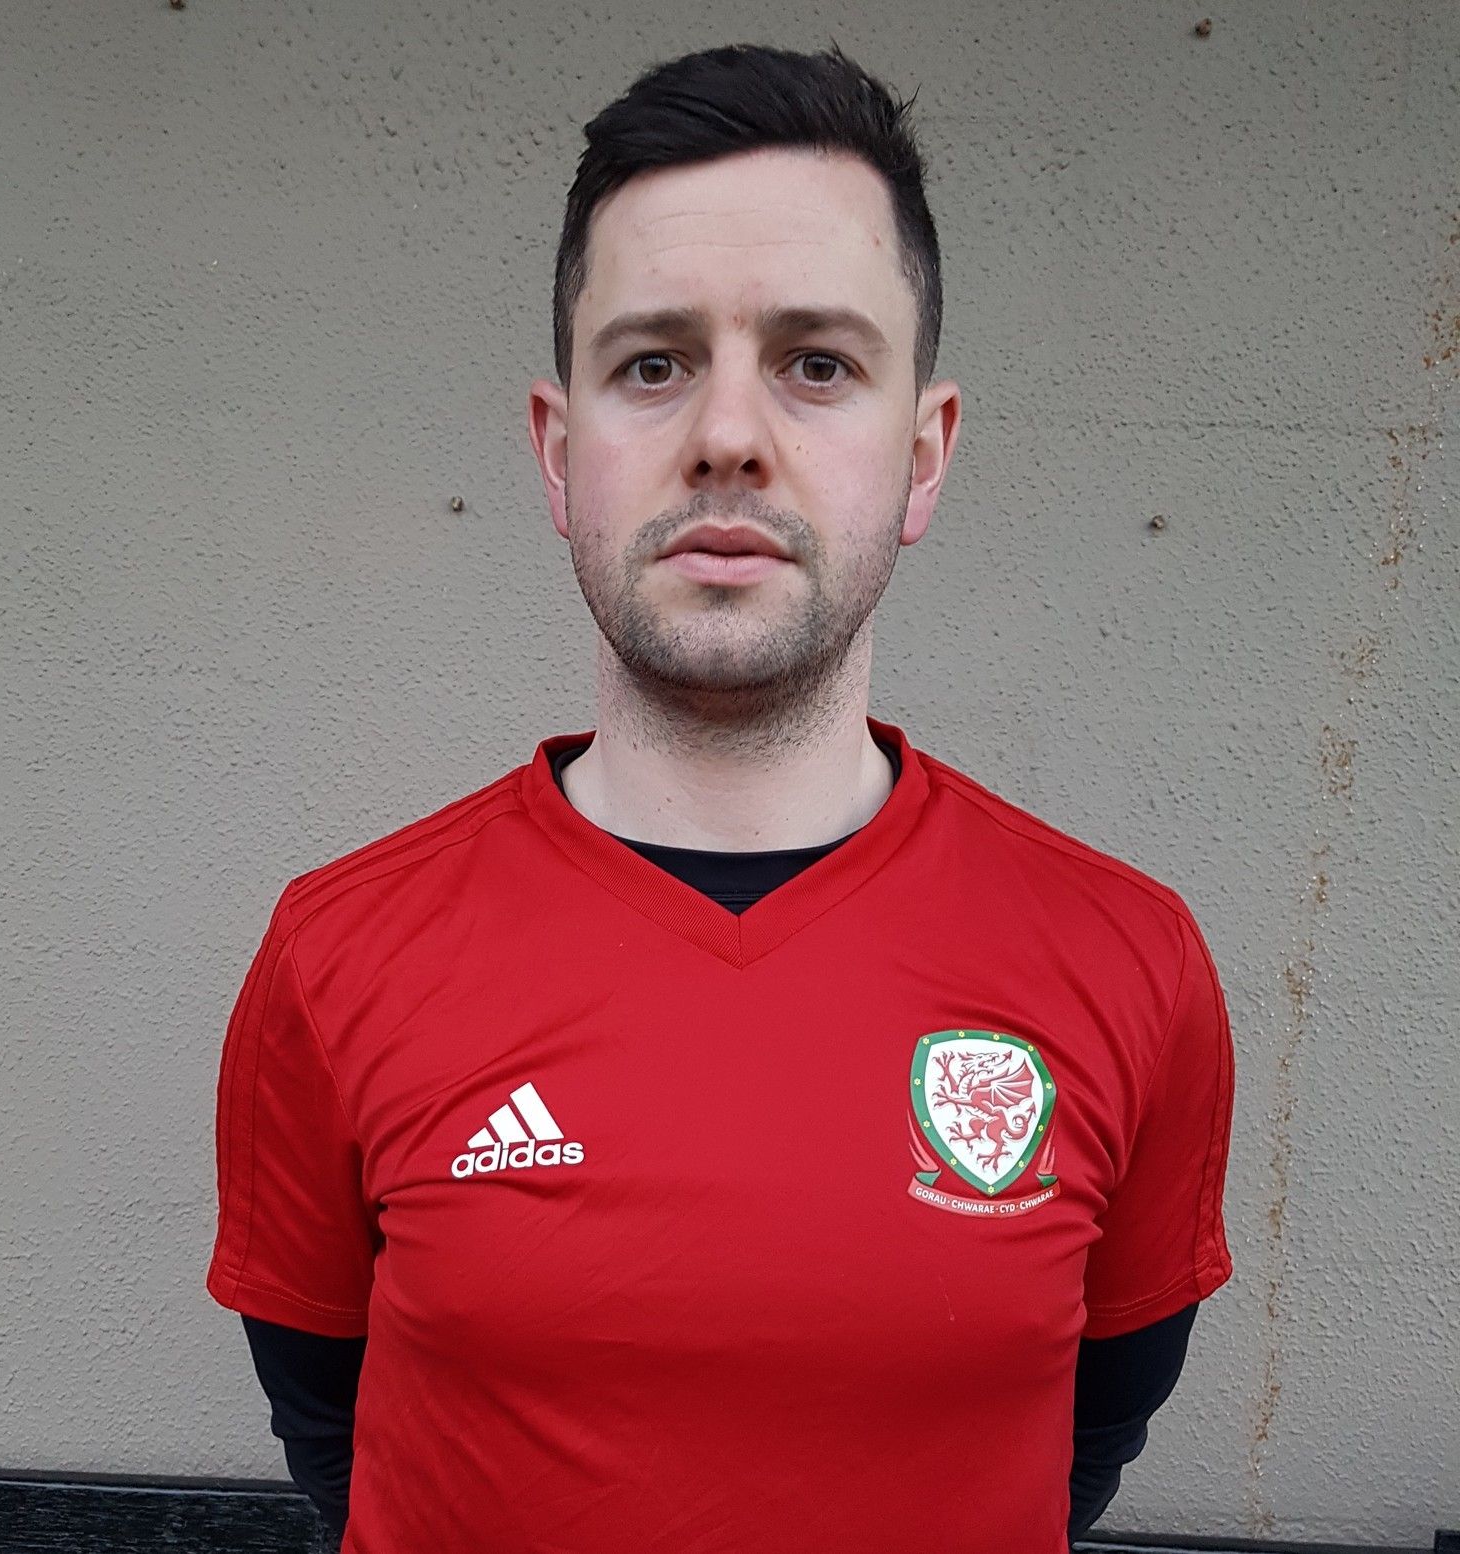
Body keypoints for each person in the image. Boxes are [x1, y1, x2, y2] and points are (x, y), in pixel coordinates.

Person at [206, 41, 1235, 1554]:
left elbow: (1092, 1432)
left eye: (818, 363)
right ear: (561, 453)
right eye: (654, 363)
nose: (729, 436)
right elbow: (328, 1422)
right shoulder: (337, 951)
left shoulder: (1128, 959)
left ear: (923, 456)